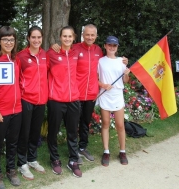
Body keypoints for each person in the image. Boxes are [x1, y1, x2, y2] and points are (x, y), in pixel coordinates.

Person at [52, 24, 128, 164]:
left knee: (85, 123)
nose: (90, 37)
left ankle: (82, 147)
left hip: (92, 94)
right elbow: (62, 51)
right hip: (76, 93)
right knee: (73, 124)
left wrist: (124, 62)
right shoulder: (74, 48)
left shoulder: (98, 50)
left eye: (92, 35)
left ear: (96, 36)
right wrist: (54, 46)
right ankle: (73, 150)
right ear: (82, 35)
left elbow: (109, 63)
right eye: (87, 34)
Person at [47, 26, 82, 178]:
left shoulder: (76, 54)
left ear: (74, 38)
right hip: (56, 99)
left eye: (70, 36)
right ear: (60, 37)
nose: (67, 39)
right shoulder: (51, 53)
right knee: (53, 131)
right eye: (64, 36)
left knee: (73, 132)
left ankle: (73, 160)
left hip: (73, 99)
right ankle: (54, 158)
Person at [0, 26, 22, 189]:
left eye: (11, 39)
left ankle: (11, 170)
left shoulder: (16, 59)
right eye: (5, 39)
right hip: (1, 111)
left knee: (13, 143)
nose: (9, 42)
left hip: (17, 109)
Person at [16, 26, 47, 180]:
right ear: (28, 38)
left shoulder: (45, 55)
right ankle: (22, 163)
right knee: (25, 132)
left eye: (39, 37)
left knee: (36, 132)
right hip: (26, 99)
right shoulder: (21, 56)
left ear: (42, 38)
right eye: (33, 37)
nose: (36, 40)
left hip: (41, 100)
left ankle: (32, 159)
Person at [97, 36, 130, 167]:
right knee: (105, 123)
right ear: (105, 46)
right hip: (105, 94)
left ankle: (122, 151)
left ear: (117, 47)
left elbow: (125, 80)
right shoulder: (100, 61)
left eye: (114, 46)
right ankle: (106, 151)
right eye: (109, 45)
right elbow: (95, 78)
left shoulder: (122, 61)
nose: (112, 47)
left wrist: (127, 73)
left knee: (120, 125)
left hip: (117, 94)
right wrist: (103, 85)